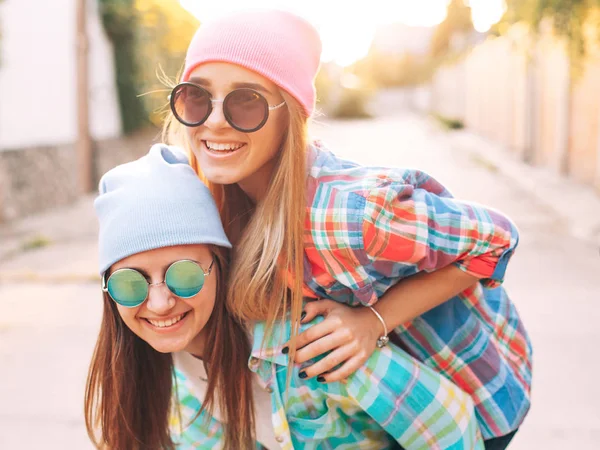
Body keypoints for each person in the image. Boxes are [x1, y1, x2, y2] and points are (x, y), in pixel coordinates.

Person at [162, 9, 531, 448]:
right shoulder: (219, 200)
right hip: (382, 406)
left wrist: (374, 321)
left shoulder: (350, 214)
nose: (215, 120)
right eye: (196, 97)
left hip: (472, 396)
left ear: (291, 115)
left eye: (247, 100)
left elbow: (497, 237)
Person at [84, 144, 484, 449]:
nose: (158, 304)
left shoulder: (307, 343)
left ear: (220, 266)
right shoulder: (154, 372)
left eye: (184, 275)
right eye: (131, 284)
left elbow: (452, 426)